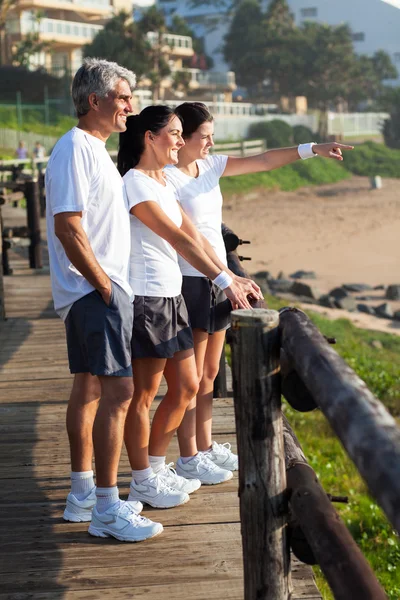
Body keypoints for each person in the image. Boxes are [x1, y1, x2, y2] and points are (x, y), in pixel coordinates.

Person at [165, 101, 354, 478]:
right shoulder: (166, 179)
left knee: (209, 375)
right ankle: (188, 457)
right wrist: (224, 276)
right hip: (190, 280)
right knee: (190, 380)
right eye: (204, 136)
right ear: (181, 137)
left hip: (220, 280)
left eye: (212, 136)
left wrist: (312, 149)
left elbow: (264, 160)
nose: (210, 143)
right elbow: (186, 238)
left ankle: (203, 446)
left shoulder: (211, 166)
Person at [117, 106, 262, 509]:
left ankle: (157, 467)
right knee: (143, 395)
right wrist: (223, 282)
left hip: (172, 294)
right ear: (150, 137)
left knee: (187, 386)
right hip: (147, 298)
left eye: (184, 134)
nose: (181, 142)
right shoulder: (135, 184)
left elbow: (195, 237)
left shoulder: (161, 181)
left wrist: (230, 277)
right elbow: (178, 241)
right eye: (175, 133)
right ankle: (144, 477)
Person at [46, 58, 162, 542]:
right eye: (122, 97)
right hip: (96, 291)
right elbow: (68, 224)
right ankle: (108, 509)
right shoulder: (75, 148)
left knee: (91, 389)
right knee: (120, 394)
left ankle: (81, 495)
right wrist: (106, 286)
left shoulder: (92, 149)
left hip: (95, 291)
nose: (130, 108)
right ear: (94, 101)